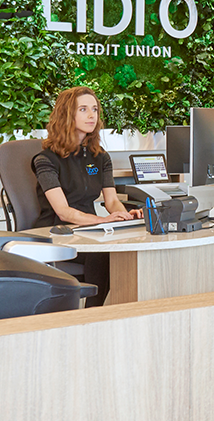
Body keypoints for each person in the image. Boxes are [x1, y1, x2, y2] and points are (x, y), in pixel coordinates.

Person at [32, 87, 140, 304]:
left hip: (92, 229)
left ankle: (103, 313)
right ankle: (94, 313)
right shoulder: (45, 160)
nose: (92, 116)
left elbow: (112, 202)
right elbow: (63, 212)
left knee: (121, 249)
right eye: (83, 109)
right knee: (103, 254)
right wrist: (102, 221)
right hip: (57, 231)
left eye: (95, 109)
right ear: (66, 114)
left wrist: (124, 216)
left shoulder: (100, 158)